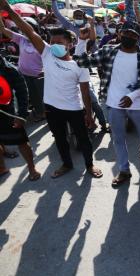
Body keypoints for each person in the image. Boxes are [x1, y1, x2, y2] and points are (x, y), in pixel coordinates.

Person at [0, 0, 103, 179]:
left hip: (75, 109)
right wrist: (9, 10)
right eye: (51, 41)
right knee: (60, 140)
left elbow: (85, 91)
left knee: (84, 140)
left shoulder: (80, 63)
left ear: (70, 44)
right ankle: (66, 164)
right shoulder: (47, 53)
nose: (53, 44)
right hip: (52, 109)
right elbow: (28, 31)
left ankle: (90, 165)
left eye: (58, 42)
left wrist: (88, 113)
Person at [75, 21, 140, 186]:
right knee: (118, 139)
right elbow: (82, 62)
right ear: (120, 34)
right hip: (114, 104)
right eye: (126, 33)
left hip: (138, 104)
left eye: (133, 35)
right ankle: (124, 170)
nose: (129, 37)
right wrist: (82, 41)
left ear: (138, 37)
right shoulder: (108, 50)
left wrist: (132, 96)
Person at [0, 55, 41, 181]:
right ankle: (1, 167)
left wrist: (21, 116)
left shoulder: (10, 69)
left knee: (21, 142)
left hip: (9, 114)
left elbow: (22, 93)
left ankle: (31, 168)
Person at [0, 15, 45, 122]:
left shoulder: (41, 43)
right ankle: (39, 113)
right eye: (23, 29)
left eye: (27, 29)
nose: (24, 31)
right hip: (23, 74)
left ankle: (44, 115)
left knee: (41, 98)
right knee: (32, 97)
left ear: (34, 29)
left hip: (38, 76)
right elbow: (3, 30)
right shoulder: (22, 39)